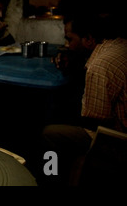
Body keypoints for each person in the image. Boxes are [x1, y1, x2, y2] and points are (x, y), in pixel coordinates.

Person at [38, 11, 127, 185]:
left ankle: (51, 177)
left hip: (119, 139)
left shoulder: (99, 65)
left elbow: (94, 121)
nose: (66, 45)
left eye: (70, 39)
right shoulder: (118, 45)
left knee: (49, 132)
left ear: (88, 39)